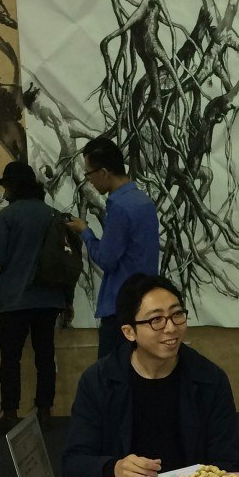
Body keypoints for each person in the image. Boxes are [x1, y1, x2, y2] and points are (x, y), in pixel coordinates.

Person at [62, 273, 239, 477]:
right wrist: (114, 468)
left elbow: (228, 463)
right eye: (156, 319)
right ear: (129, 332)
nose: (171, 327)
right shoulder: (99, 380)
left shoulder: (209, 379)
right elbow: (73, 463)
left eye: (177, 314)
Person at [0, 161, 69, 430]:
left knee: (10, 358)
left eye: (6, 186)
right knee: (44, 356)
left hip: (14, 299)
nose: (4, 192)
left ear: (13, 186)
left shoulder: (8, 216)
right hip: (48, 299)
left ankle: (10, 413)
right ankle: (44, 411)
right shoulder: (53, 214)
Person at [66, 137, 160, 359]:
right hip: (145, 302)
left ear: (104, 172)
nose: (89, 180)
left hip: (121, 306)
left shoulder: (119, 206)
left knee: (111, 378)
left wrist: (85, 232)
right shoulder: (143, 201)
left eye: (89, 174)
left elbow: (107, 259)